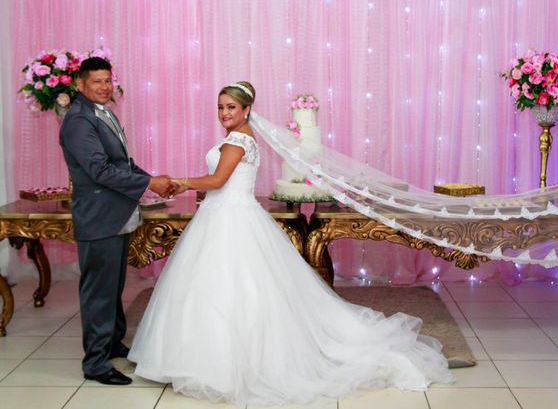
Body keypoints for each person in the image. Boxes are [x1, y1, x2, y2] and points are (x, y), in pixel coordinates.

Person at [128, 81, 453, 405]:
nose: (224, 113)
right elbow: (218, 184)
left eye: (231, 107)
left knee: (226, 289)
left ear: (247, 110)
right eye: (220, 106)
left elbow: (217, 181)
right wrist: (193, 188)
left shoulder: (239, 140)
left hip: (231, 220)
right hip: (223, 215)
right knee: (229, 289)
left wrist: (178, 182)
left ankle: (221, 363)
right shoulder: (238, 139)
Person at [59, 57, 176, 385]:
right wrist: (149, 184)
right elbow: (99, 170)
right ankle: (95, 363)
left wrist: (150, 178)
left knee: (113, 287)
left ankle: (112, 343)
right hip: (98, 217)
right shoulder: (78, 120)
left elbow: (122, 162)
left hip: (117, 214)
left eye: (108, 81)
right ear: (80, 85)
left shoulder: (104, 112)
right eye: (96, 81)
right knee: (98, 290)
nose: (104, 87)